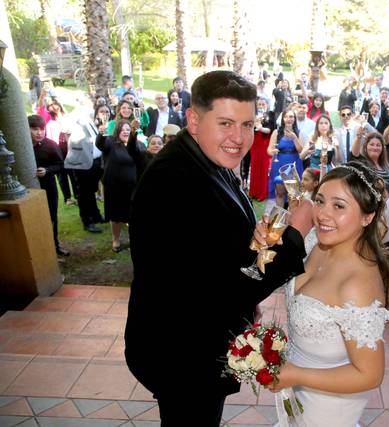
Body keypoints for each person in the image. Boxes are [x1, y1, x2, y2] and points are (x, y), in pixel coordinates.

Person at [124, 70, 313, 427]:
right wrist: (295, 236)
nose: (238, 138)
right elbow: (225, 289)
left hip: (195, 341)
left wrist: (255, 242)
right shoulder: (174, 183)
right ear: (194, 119)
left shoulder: (206, 157)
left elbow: (217, 253)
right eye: (225, 123)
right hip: (183, 355)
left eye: (246, 124)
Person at [268, 161, 389, 427]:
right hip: (296, 390)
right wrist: (266, 244)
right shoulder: (315, 241)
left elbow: (370, 375)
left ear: (367, 217)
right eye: (320, 201)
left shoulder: (357, 285)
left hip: (328, 410)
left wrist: (296, 374)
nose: (323, 214)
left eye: (339, 206)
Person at [65, 102, 109, 233]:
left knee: (91, 191)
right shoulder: (75, 122)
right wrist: (77, 110)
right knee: (84, 194)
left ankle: (96, 215)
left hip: (94, 162)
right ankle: (87, 221)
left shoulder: (92, 122)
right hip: (82, 164)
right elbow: (66, 127)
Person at [29, 115, 68, 256]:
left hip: (48, 187)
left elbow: (61, 165)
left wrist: (47, 170)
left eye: (42, 129)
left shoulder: (51, 145)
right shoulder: (23, 146)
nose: (39, 132)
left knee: (51, 216)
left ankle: (55, 245)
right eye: (35, 129)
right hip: (29, 188)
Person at [96, 119, 138, 253]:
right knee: (115, 216)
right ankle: (116, 239)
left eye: (128, 129)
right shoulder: (110, 143)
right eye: (123, 129)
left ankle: (134, 239)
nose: (126, 131)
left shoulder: (137, 145)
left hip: (132, 187)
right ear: (117, 131)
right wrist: (101, 133)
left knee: (132, 215)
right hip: (114, 187)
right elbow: (100, 144)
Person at [267, 109, 304, 207]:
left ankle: (291, 219)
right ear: (283, 118)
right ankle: (280, 217)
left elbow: (301, 150)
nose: (289, 119)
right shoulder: (276, 132)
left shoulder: (298, 132)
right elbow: (269, 150)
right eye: (286, 116)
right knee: (280, 193)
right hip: (279, 163)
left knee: (293, 195)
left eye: (291, 116)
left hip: (293, 164)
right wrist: (273, 151)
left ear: (294, 119)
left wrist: (294, 138)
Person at [249, 97, 276, 201]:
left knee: (264, 168)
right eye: (259, 104)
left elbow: (270, 130)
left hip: (265, 143)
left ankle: (262, 193)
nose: (261, 106)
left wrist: (260, 127)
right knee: (254, 167)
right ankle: (253, 192)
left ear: (267, 105)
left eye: (263, 104)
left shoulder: (270, 114)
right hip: (255, 143)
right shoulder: (253, 114)